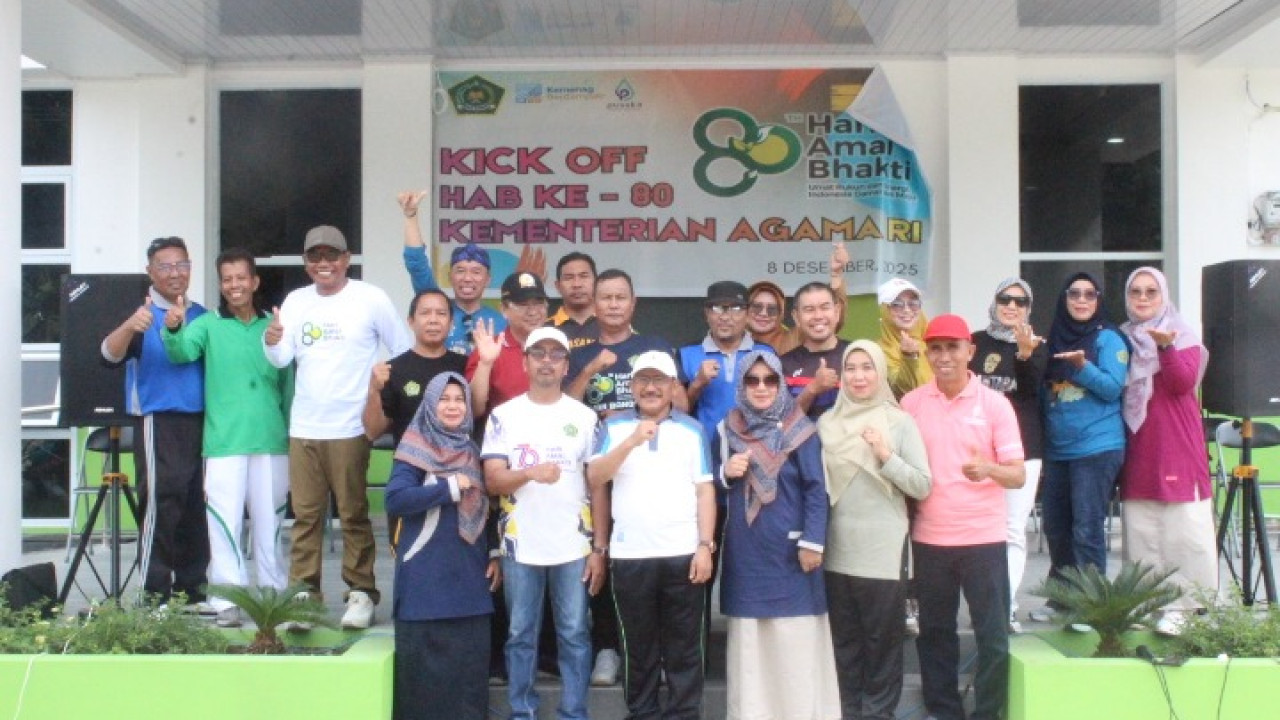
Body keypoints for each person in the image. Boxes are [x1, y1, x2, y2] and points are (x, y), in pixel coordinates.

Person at [264, 225, 412, 629]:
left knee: (353, 514)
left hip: (351, 426)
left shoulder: (370, 298)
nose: (323, 263)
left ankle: (361, 593)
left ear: (347, 259)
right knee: (305, 518)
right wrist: (272, 340)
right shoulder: (296, 301)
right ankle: (304, 597)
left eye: (332, 255)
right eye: (315, 256)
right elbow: (281, 359)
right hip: (305, 426)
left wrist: (381, 398)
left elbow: (401, 350)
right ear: (306, 263)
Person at [901, 314, 1025, 720]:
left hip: (983, 539)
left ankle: (987, 713)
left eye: (952, 347)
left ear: (970, 351)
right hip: (930, 538)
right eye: (935, 348)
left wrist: (988, 469)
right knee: (935, 634)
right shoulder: (911, 404)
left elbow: (1018, 475)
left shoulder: (995, 405)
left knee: (993, 637)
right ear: (926, 354)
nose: (944, 356)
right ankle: (944, 711)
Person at [481, 327, 607, 720]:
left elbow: (598, 486)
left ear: (567, 365)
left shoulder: (585, 418)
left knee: (574, 633)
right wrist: (529, 473)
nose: (547, 361)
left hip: (574, 545)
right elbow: (492, 481)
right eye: (539, 353)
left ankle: (574, 712)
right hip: (520, 545)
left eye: (556, 354)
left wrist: (599, 548)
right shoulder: (504, 416)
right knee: (520, 634)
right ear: (525, 362)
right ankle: (522, 711)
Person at [161, 248, 290, 628]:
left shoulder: (273, 325)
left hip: (271, 439)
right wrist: (173, 327)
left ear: (255, 281)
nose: (235, 285)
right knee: (223, 523)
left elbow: (288, 384)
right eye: (227, 279)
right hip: (224, 441)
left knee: (270, 524)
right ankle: (226, 601)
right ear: (221, 285)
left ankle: (272, 597)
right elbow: (181, 352)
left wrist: (290, 433)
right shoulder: (208, 324)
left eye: (241, 278)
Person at [587, 351, 716, 719]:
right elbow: (596, 478)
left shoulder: (692, 430)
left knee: (685, 647)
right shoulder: (613, 428)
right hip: (630, 555)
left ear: (673, 386)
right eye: (643, 380)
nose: (650, 388)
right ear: (632, 386)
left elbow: (705, 490)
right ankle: (642, 713)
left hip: (683, 553)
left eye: (659, 380)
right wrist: (631, 441)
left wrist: (704, 546)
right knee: (637, 648)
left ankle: (683, 714)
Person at [719, 350, 839, 720]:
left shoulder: (800, 430)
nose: (761, 387)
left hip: (792, 552)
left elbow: (817, 489)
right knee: (751, 650)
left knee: (794, 647)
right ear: (741, 385)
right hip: (747, 552)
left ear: (781, 384)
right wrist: (726, 472)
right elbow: (708, 486)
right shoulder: (727, 429)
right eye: (752, 380)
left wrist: (812, 541)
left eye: (770, 380)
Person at [818, 341, 931, 720]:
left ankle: (878, 714)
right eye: (851, 368)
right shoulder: (827, 423)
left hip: (883, 551)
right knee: (844, 643)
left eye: (867, 367)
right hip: (837, 550)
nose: (859, 376)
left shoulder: (899, 422)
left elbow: (922, 485)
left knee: (882, 643)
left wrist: (886, 456)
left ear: (880, 371)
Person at [100, 236, 209, 604]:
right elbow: (107, 356)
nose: (175, 273)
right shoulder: (142, 316)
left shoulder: (201, 315)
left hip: (201, 421)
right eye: (165, 266)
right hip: (158, 420)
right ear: (150, 271)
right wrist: (131, 326)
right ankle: (154, 592)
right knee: (162, 504)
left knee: (195, 506)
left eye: (182, 265)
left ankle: (192, 590)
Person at [386, 372, 499, 720]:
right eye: (443, 399)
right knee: (423, 693)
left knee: (468, 688)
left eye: (459, 399)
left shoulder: (471, 450)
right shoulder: (414, 449)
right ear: (429, 405)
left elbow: (487, 506)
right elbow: (396, 499)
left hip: (469, 586)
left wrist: (494, 551)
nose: (452, 406)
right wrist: (448, 489)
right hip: (424, 588)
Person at [1118, 267, 1216, 636]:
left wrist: (1165, 347)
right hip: (1139, 444)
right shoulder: (1123, 338)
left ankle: (1185, 608)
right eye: (1136, 292)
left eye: (1151, 291)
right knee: (1142, 526)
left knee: (1182, 527)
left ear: (1164, 296)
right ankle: (1146, 604)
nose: (1143, 298)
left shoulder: (1181, 334)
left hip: (1176, 442)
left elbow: (1181, 383)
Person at [1030, 273, 1129, 625]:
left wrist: (1082, 367)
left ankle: (1091, 604)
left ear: (1099, 300)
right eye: (1074, 293)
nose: (1082, 300)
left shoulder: (1109, 338)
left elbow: (1113, 388)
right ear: (1064, 299)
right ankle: (1062, 598)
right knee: (1056, 528)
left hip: (1097, 446)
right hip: (1058, 450)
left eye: (1090, 294)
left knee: (1087, 528)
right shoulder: (1053, 337)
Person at [969, 278, 1047, 634]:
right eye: (1005, 299)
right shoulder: (974, 342)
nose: (1012, 306)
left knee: (1013, 530)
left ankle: (1006, 607)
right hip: (977, 448)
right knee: (976, 529)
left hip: (1023, 450)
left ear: (1028, 308)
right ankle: (980, 603)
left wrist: (1025, 355)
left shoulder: (1037, 344)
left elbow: (1032, 392)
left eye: (1020, 301)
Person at [567, 268, 686, 417]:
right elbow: (566, 412)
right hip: (596, 432)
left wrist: (624, 418)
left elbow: (681, 407)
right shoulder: (578, 355)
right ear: (594, 305)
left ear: (633, 303)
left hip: (651, 431)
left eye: (621, 298)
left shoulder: (656, 347)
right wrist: (589, 371)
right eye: (606, 298)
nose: (613, 305)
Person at [399, 190, 505, 355]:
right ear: (450, 277)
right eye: (460, 271)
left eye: (476, 272)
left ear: (488, 279)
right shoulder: (438, 310)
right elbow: (416, 264)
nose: (467, 278)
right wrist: (410, 216)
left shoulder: (501, 322)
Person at [363, 288, 468, 445]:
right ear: (411, 321)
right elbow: (372, 432)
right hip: (409, 458)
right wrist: (373, 391)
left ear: (451, 323)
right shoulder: (393, 370)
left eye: (441, 313)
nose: (433, 320)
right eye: (425, 313)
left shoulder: (465, 365)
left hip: (456, 458)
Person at [679, 281, 773, 451]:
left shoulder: (765, 353)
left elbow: (779, 407)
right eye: (717, 308)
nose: (725, 317)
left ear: (748, 314)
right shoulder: (687, 354)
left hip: (756, 450)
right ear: (707, 313)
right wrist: (697, 384)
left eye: (735, 308)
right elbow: (676, 413)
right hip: (703, 450)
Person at [466, 271, 550, 419]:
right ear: (504, 309)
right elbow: (473, 410)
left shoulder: (557, 346)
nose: (532, 312)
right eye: (523, 305)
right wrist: (485, 363)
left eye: (538, 303)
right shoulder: (490, 349)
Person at [747, 242, 849, 355]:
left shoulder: (793, 338)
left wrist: (836, 274)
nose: (763, 313)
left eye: (772, 309)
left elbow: (831, 320)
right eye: (757, 307)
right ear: (746, 309)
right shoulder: (737, 340)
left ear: (780, 314)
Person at [781, 282, 849, 418]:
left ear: (837, 312)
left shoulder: (857, 355)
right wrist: (812, 389)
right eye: (809, 309)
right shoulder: (783, 365)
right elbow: (781, 422)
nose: (818, 316)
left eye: (825, 307)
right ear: (796, 317)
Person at [877, 277, 933, 399]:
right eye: (897, 305)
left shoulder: (932, 343)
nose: (907, 310)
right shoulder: (877, 352)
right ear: (884, 310)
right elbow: (902, 389)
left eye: (913, 304)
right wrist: (909, 357)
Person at [550, 251, 600, 347]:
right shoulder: (545, 329)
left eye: (584, 276)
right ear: (558, 286)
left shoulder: (612, 324)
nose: (577, 284)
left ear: (596, 282)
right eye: (569, 278)